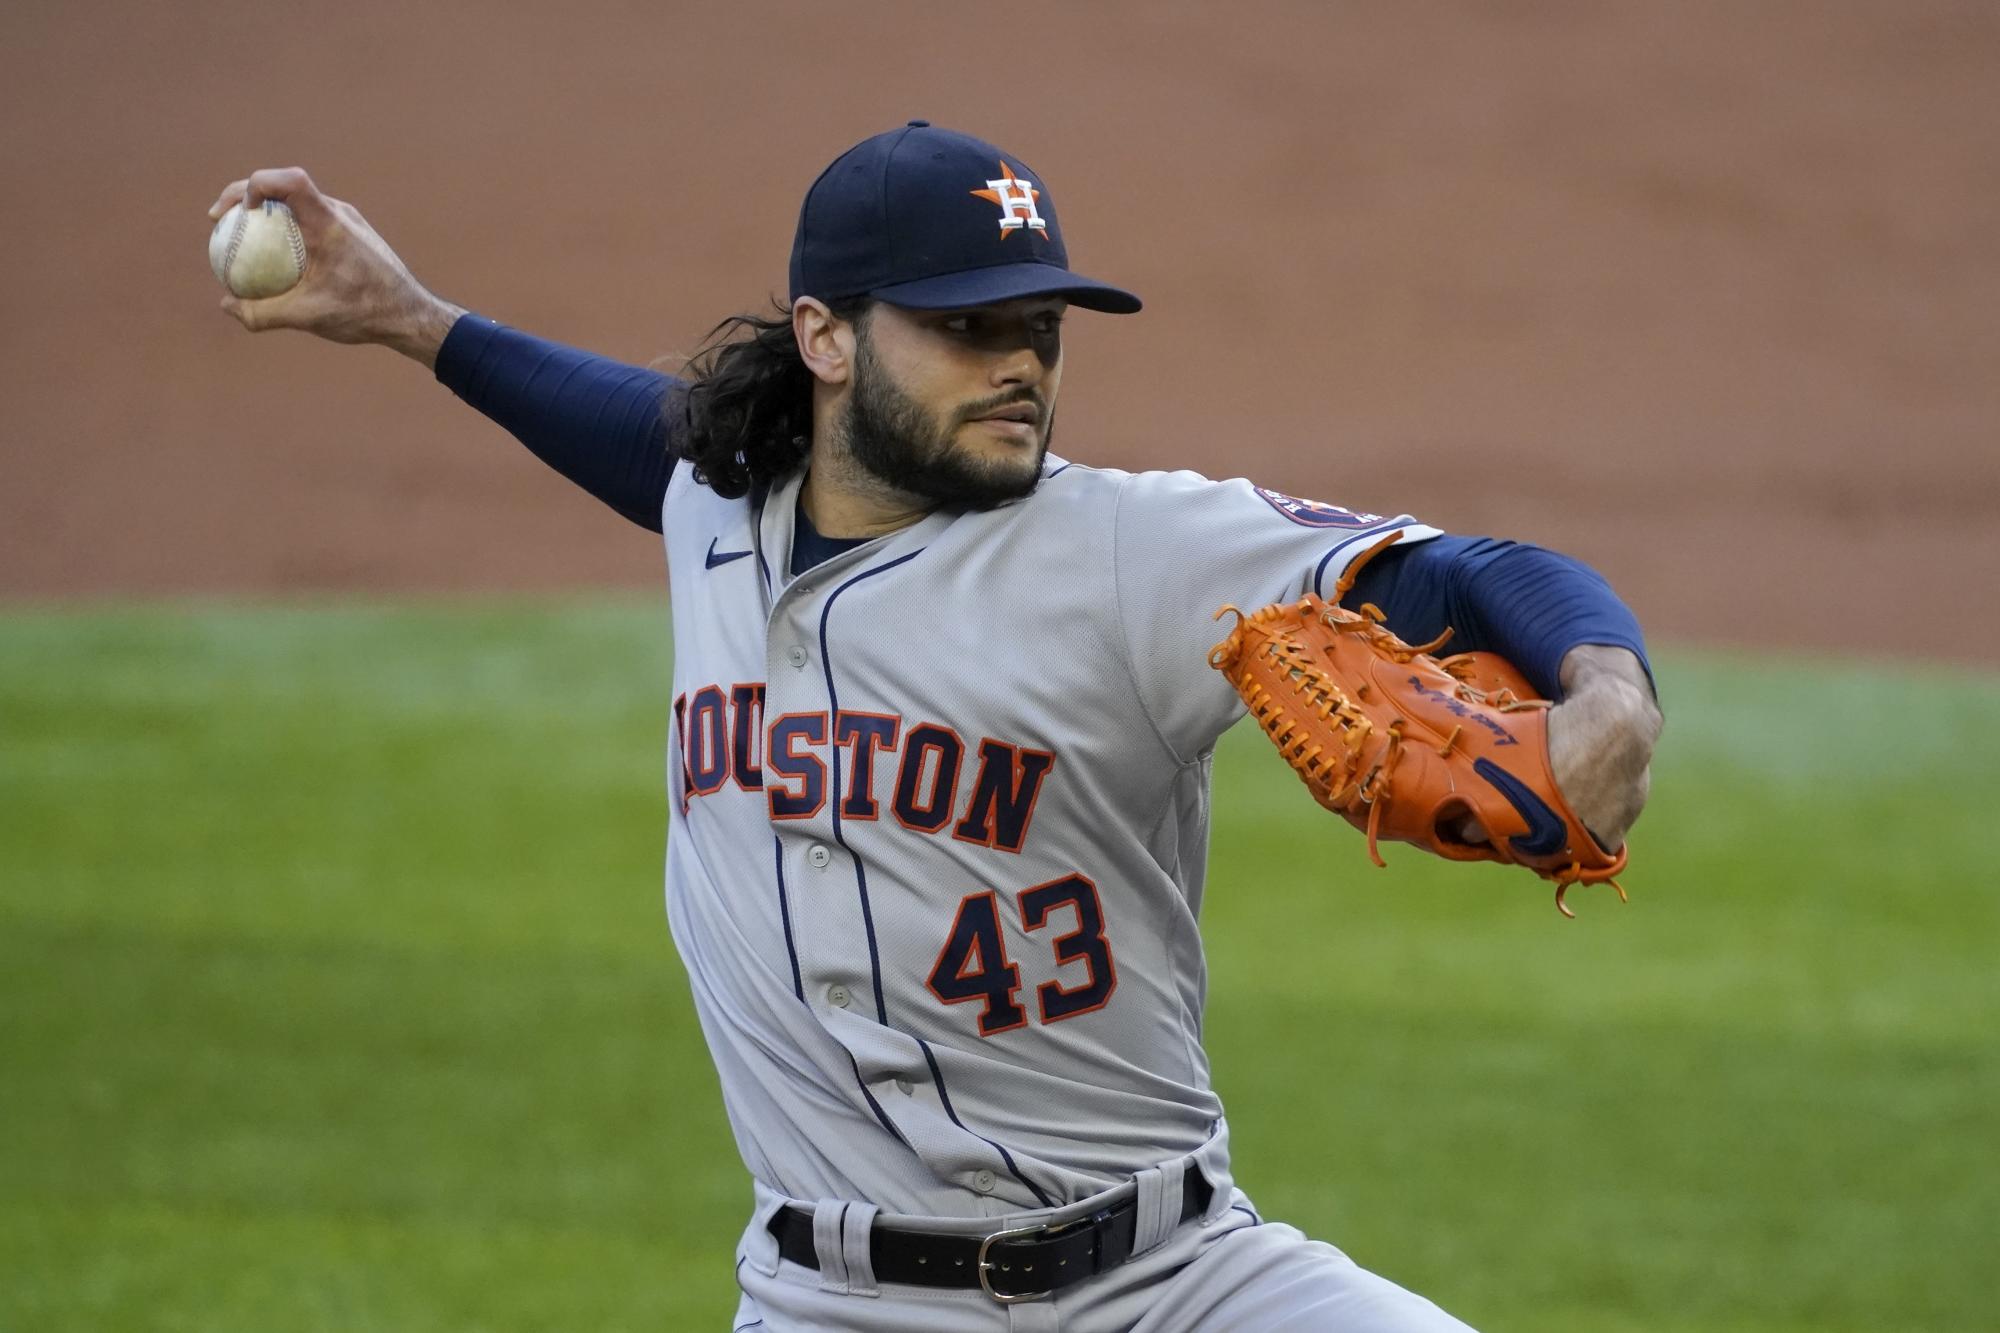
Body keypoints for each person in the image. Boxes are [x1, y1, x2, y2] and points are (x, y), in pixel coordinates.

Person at [209, 121, 1660, 1332]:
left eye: (1039, 329)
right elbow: (636, 433)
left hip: (1170, 1284)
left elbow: (1471, 570)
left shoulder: (1134, 550)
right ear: (825, 338)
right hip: (827, 1303)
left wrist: (1607, 689)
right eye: (967, 328)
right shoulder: (719, 506)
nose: (1020, 363)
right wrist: (409, 319)